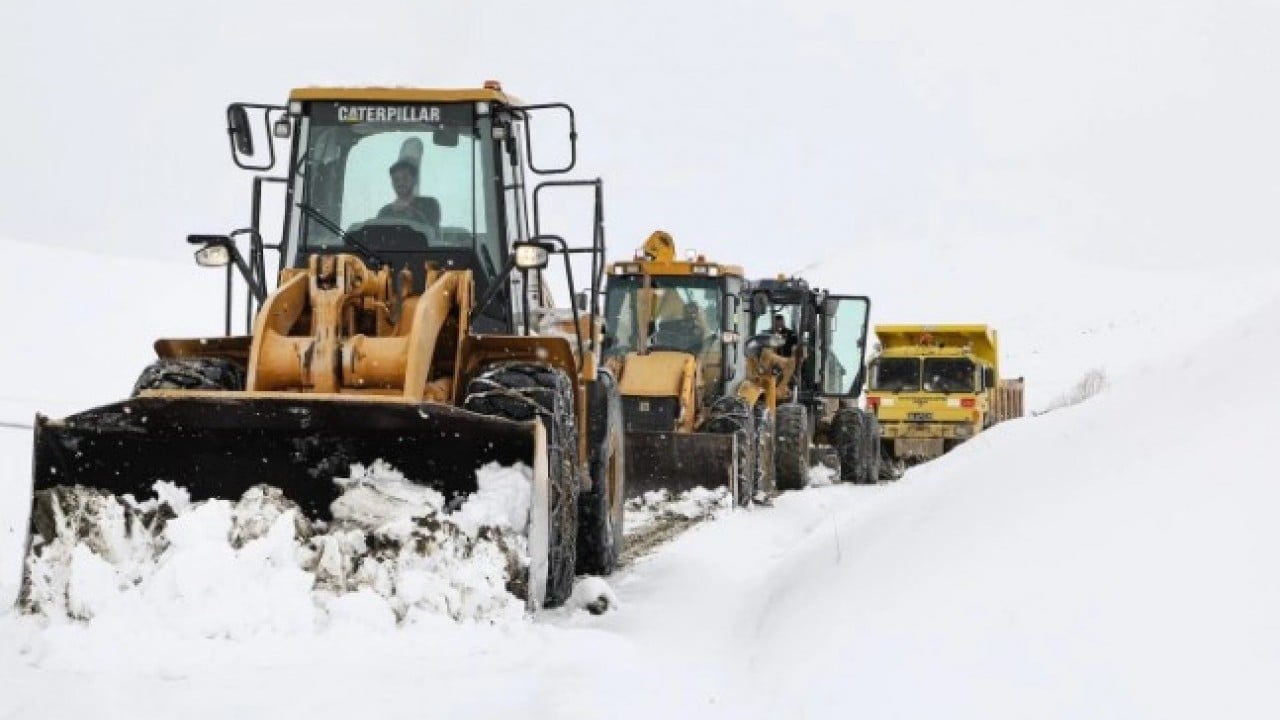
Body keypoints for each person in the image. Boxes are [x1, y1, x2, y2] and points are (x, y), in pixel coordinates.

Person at [377, 158, 441, 227]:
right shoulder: (385, 212)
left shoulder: (429, 204)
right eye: (396, 179)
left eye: (405, 178)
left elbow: (430, 232)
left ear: (414, 180)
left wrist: (410, 211)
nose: (400, 183)